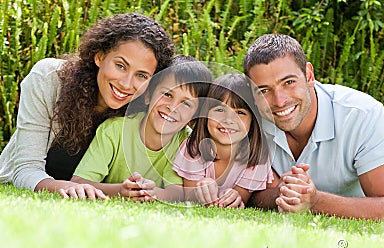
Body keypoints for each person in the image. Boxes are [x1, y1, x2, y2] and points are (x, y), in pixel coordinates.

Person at [0, 13, 175, 199]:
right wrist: (67, 187)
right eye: (121, 66)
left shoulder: (144, 110)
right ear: (99, 57)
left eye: (142, 75)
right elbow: (25, 169)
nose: (126, 83)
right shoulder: (48, 78)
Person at [243, 33, 384, 220]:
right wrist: (284, 193)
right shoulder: (245, 119)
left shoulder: (361, 115)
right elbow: (245, 190)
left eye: (289, 82)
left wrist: (316, 201)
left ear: (309, 75)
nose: (279, 101)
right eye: (264, 90)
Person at [71, 55, 212, 202]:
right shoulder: (114, 130)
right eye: (167, 94)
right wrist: (120, 190)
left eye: (186, 104)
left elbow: (177, 192)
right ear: (148, 96)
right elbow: (79, 182)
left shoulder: (185, 142)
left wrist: (151, 192)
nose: (172, 107)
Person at [173, 74, 277, 208]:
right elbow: (190, 197)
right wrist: (200, 190)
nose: (228, 119)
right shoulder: (193, 148)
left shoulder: (257, 157)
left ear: (253, 121)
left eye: (240, 112)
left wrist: (234, 196)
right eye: (220, 109)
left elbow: (240, 198)